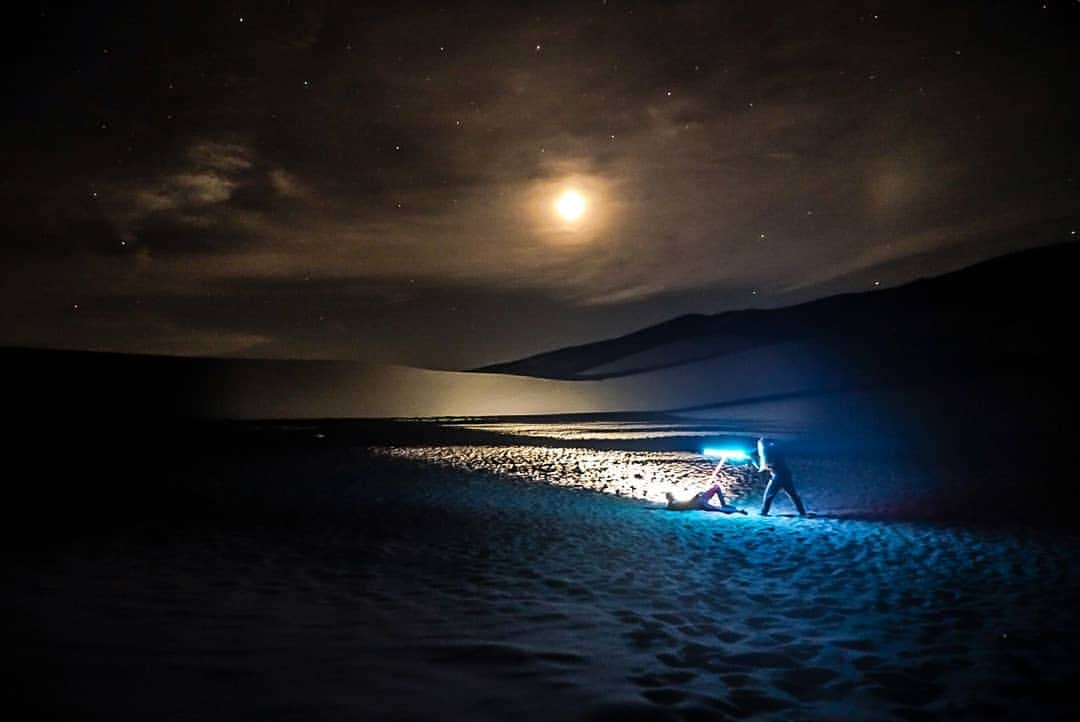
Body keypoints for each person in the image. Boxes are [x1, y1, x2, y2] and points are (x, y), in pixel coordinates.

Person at [754, 436, 806, 516]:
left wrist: (753, 461)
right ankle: (802, 512)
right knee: (793, 494)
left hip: (778, 476)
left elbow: (767, 465)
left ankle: (764, 512)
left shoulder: (768, 451)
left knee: (769, 495)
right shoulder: (774, 449)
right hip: (785, 474)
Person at [665, 483, 747, 513]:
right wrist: (694, 497)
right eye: (671, 495)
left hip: (699, 500)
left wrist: (696, 496)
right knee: (717, 509)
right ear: (669, 498)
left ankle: (724, 504)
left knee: (716, 487)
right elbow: (686, 505)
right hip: (699, 504)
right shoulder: (672, 505)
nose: (673, 496)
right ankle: (738, 511)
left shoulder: (674, 502)